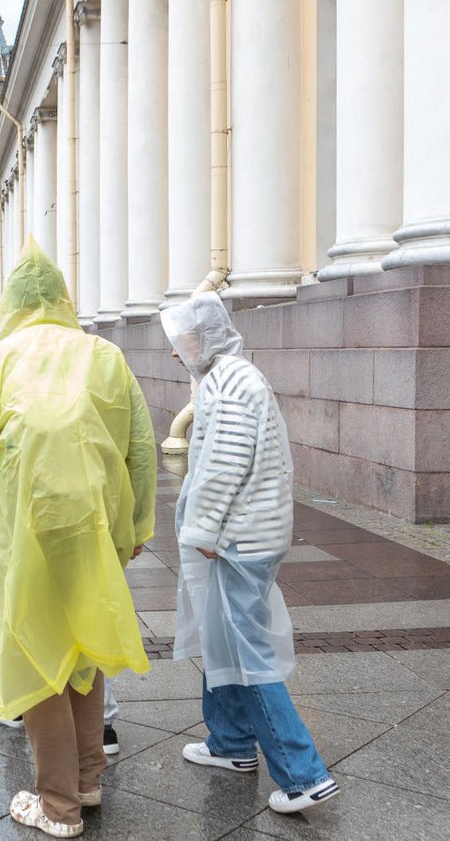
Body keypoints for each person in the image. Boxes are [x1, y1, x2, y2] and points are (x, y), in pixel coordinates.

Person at [0, 242, 157, 838]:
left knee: (35, 657)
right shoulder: (105, 356)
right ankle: (86, 778)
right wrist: (137, 529)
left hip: (18, 534)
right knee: (82, 646)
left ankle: (58, 806)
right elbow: (141, 449)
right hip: (91, 531)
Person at [160, 291, 339, 815]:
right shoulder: (229, 377)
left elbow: (224, 465)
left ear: (204, 336)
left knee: (245, 649)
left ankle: (302, 773)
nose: (175, 351)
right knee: (223, 633)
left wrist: (206, 532)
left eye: (180, 340)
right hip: (247, 534)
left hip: (239, 539)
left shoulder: (231, 381)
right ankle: (230, 742)